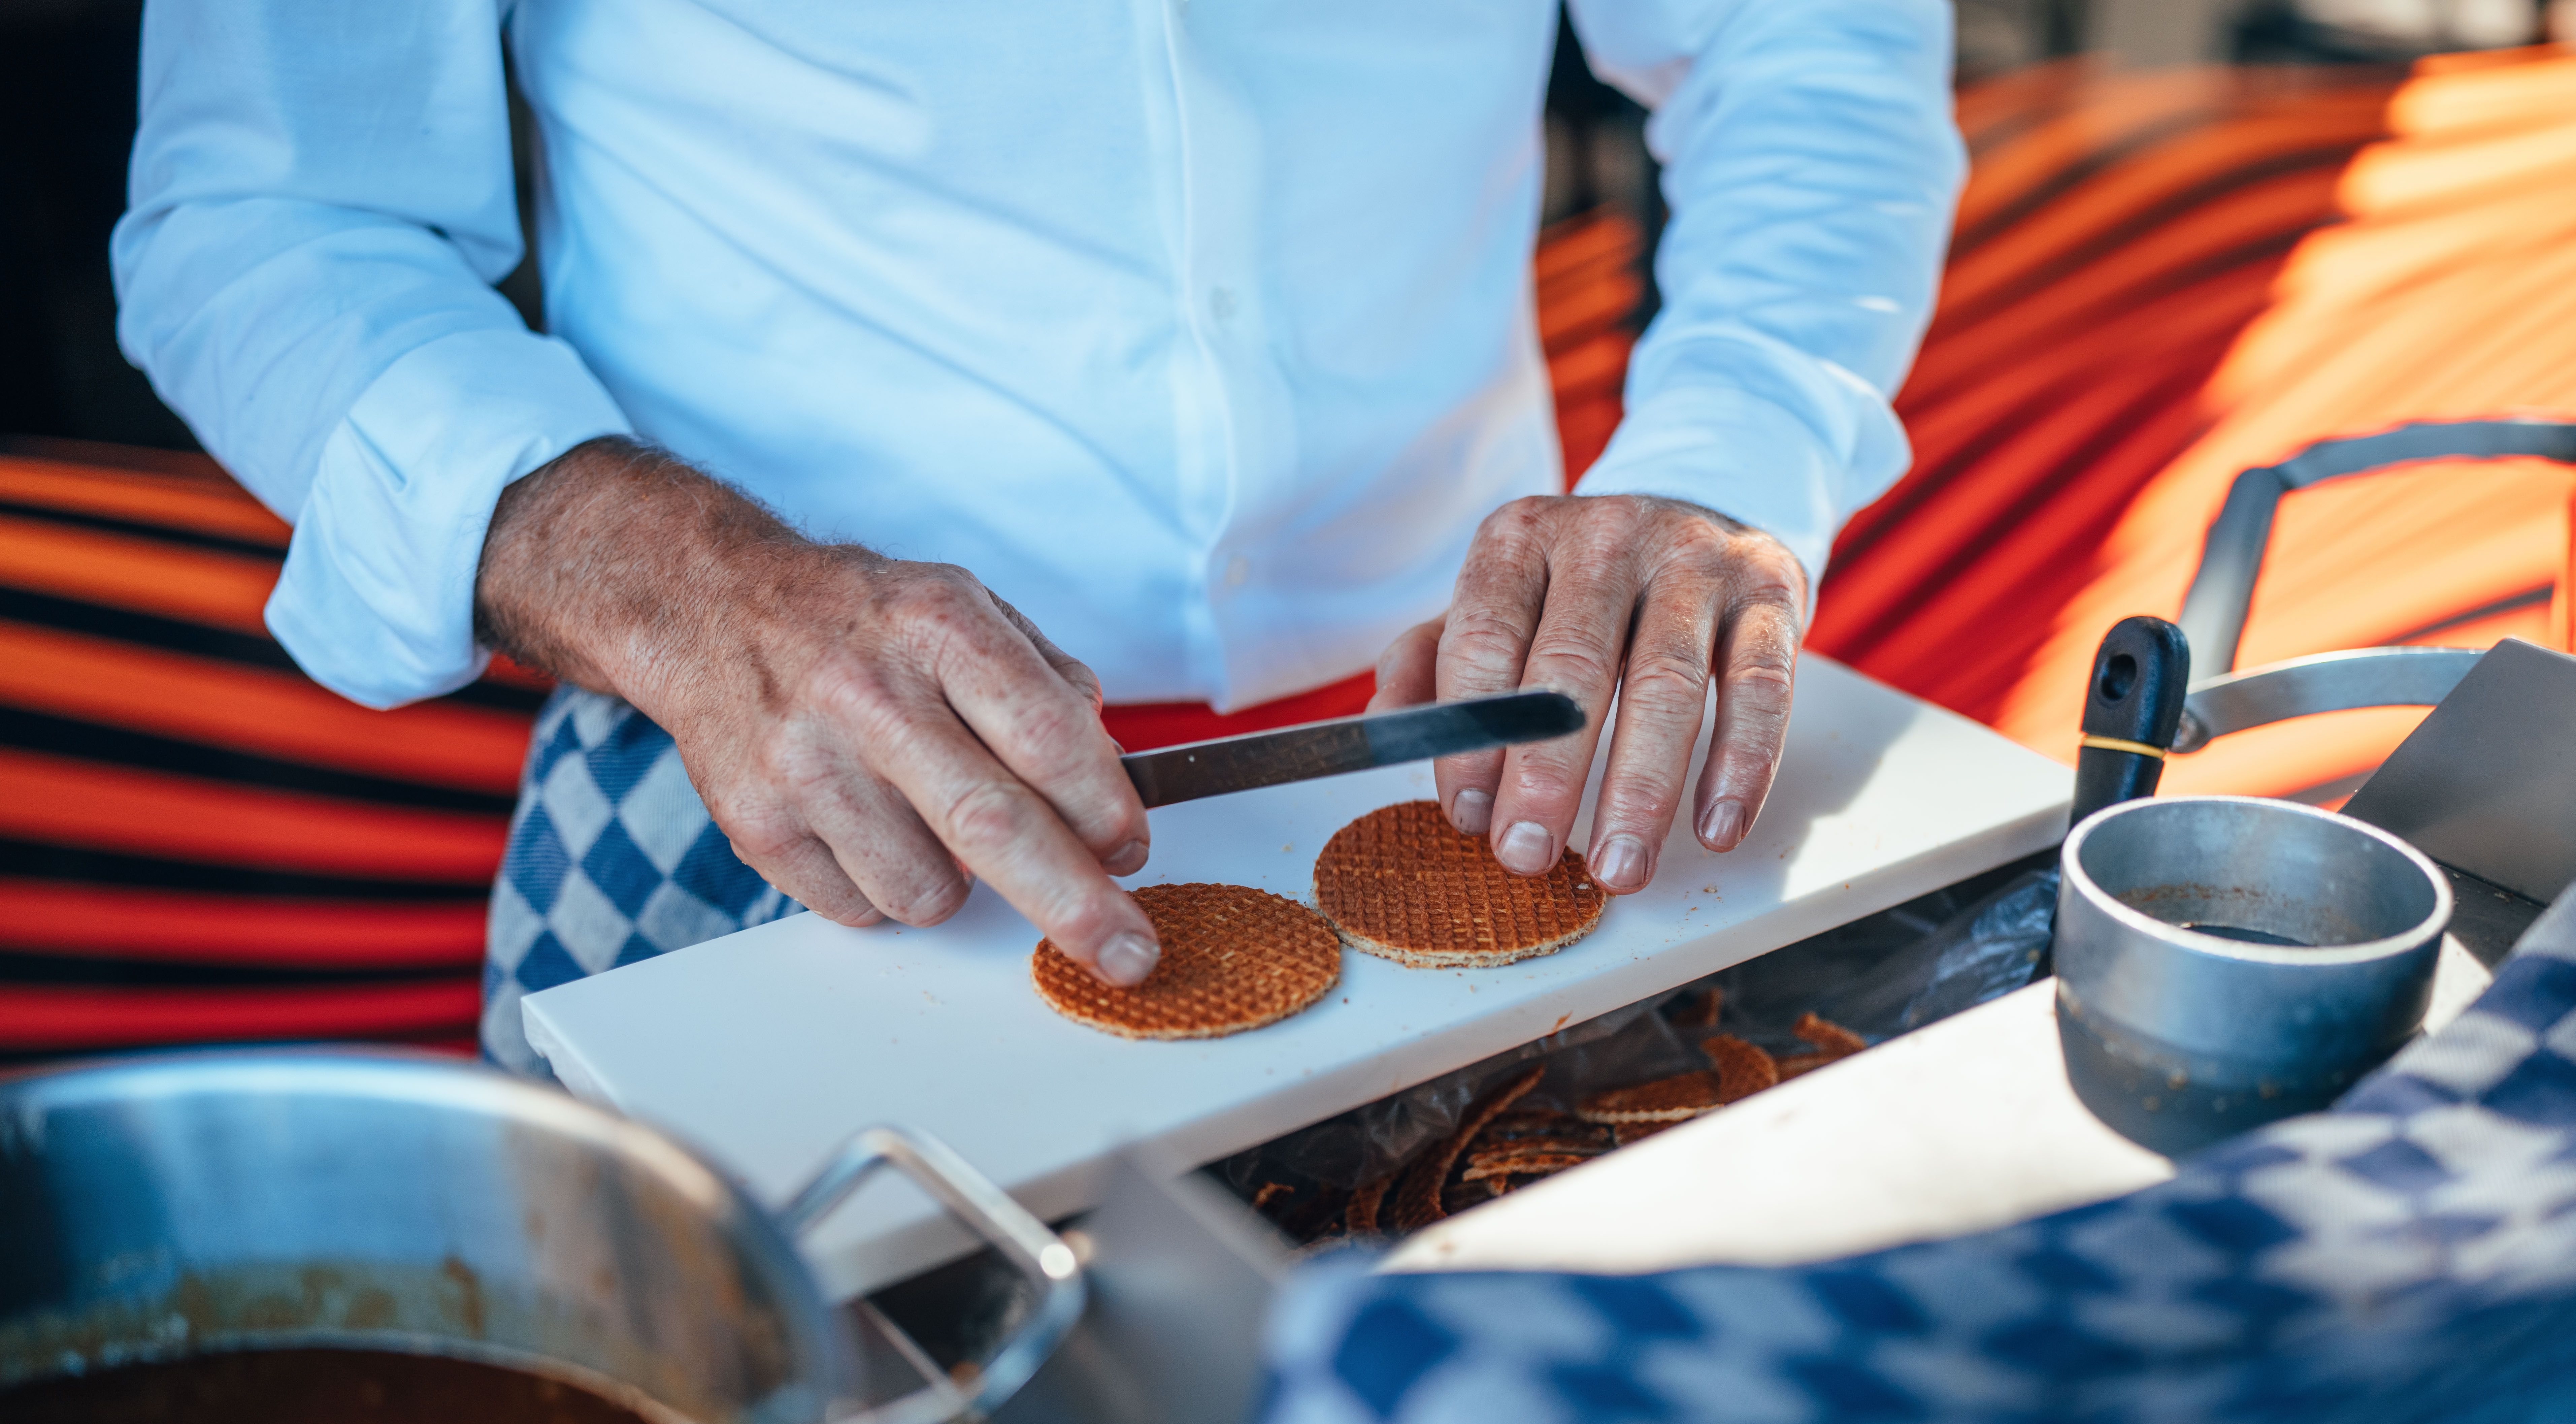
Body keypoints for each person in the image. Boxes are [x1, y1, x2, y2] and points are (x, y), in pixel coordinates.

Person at [115, 2, 1961, 1072]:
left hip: (1487, 749)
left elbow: (1804, 42)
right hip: (754, 752)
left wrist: (1729, 444)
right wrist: (671, 583)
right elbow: (262, 217)